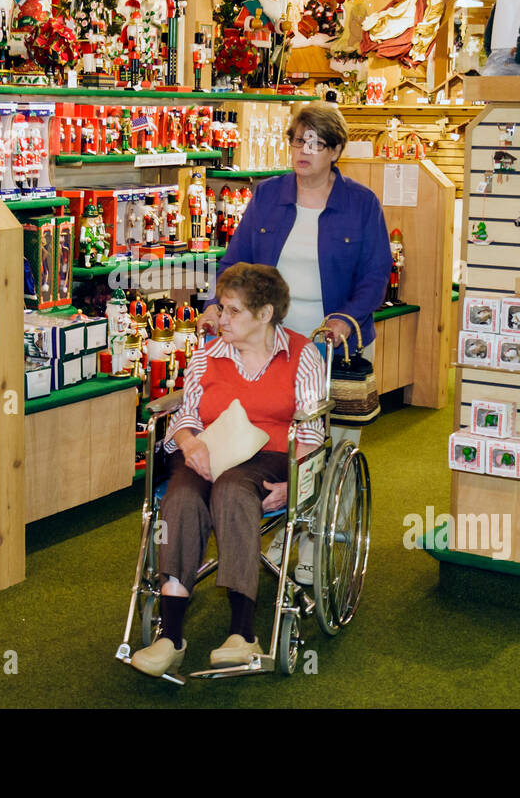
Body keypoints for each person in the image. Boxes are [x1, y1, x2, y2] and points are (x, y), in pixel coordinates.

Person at [198, 102, 390, 582]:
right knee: (268, 428)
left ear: (336, 150)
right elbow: (235, 261)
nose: (302, 151)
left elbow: (375, 276)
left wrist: (345, 321)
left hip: (331, 345)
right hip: (269, 344)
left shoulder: (361, 203)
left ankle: (308, 539)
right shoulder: (267, 196)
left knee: (324, 441)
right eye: (296, 140)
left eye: (315, 143)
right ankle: (263, 512)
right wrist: (216, 303)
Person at [130, 264, 326, 678]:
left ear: (265, 314)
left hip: (269, 456)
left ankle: (242, 632)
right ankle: (172, 636)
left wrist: (296, 482)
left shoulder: (302, 355)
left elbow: (311, 431)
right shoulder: (207, 354)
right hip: (207, 450)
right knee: (181, 498)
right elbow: (185, 415)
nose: (221, 318)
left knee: (233, 491)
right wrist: (189, 443)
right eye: (221, 308)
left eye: (233, 311)